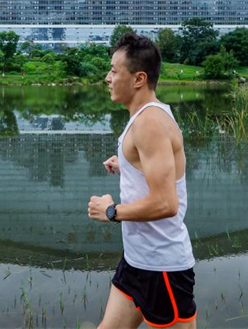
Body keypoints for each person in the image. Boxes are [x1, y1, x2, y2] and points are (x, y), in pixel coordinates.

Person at [88, 33, 196, 329]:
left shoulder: (150, 123)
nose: (107, 78)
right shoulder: (144, 118)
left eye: (114, 70)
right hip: (137, 261)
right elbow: (158, 173)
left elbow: (165, 202)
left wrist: (112, 212)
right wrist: (126, 164)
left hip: (163, 267)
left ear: (138, 79)